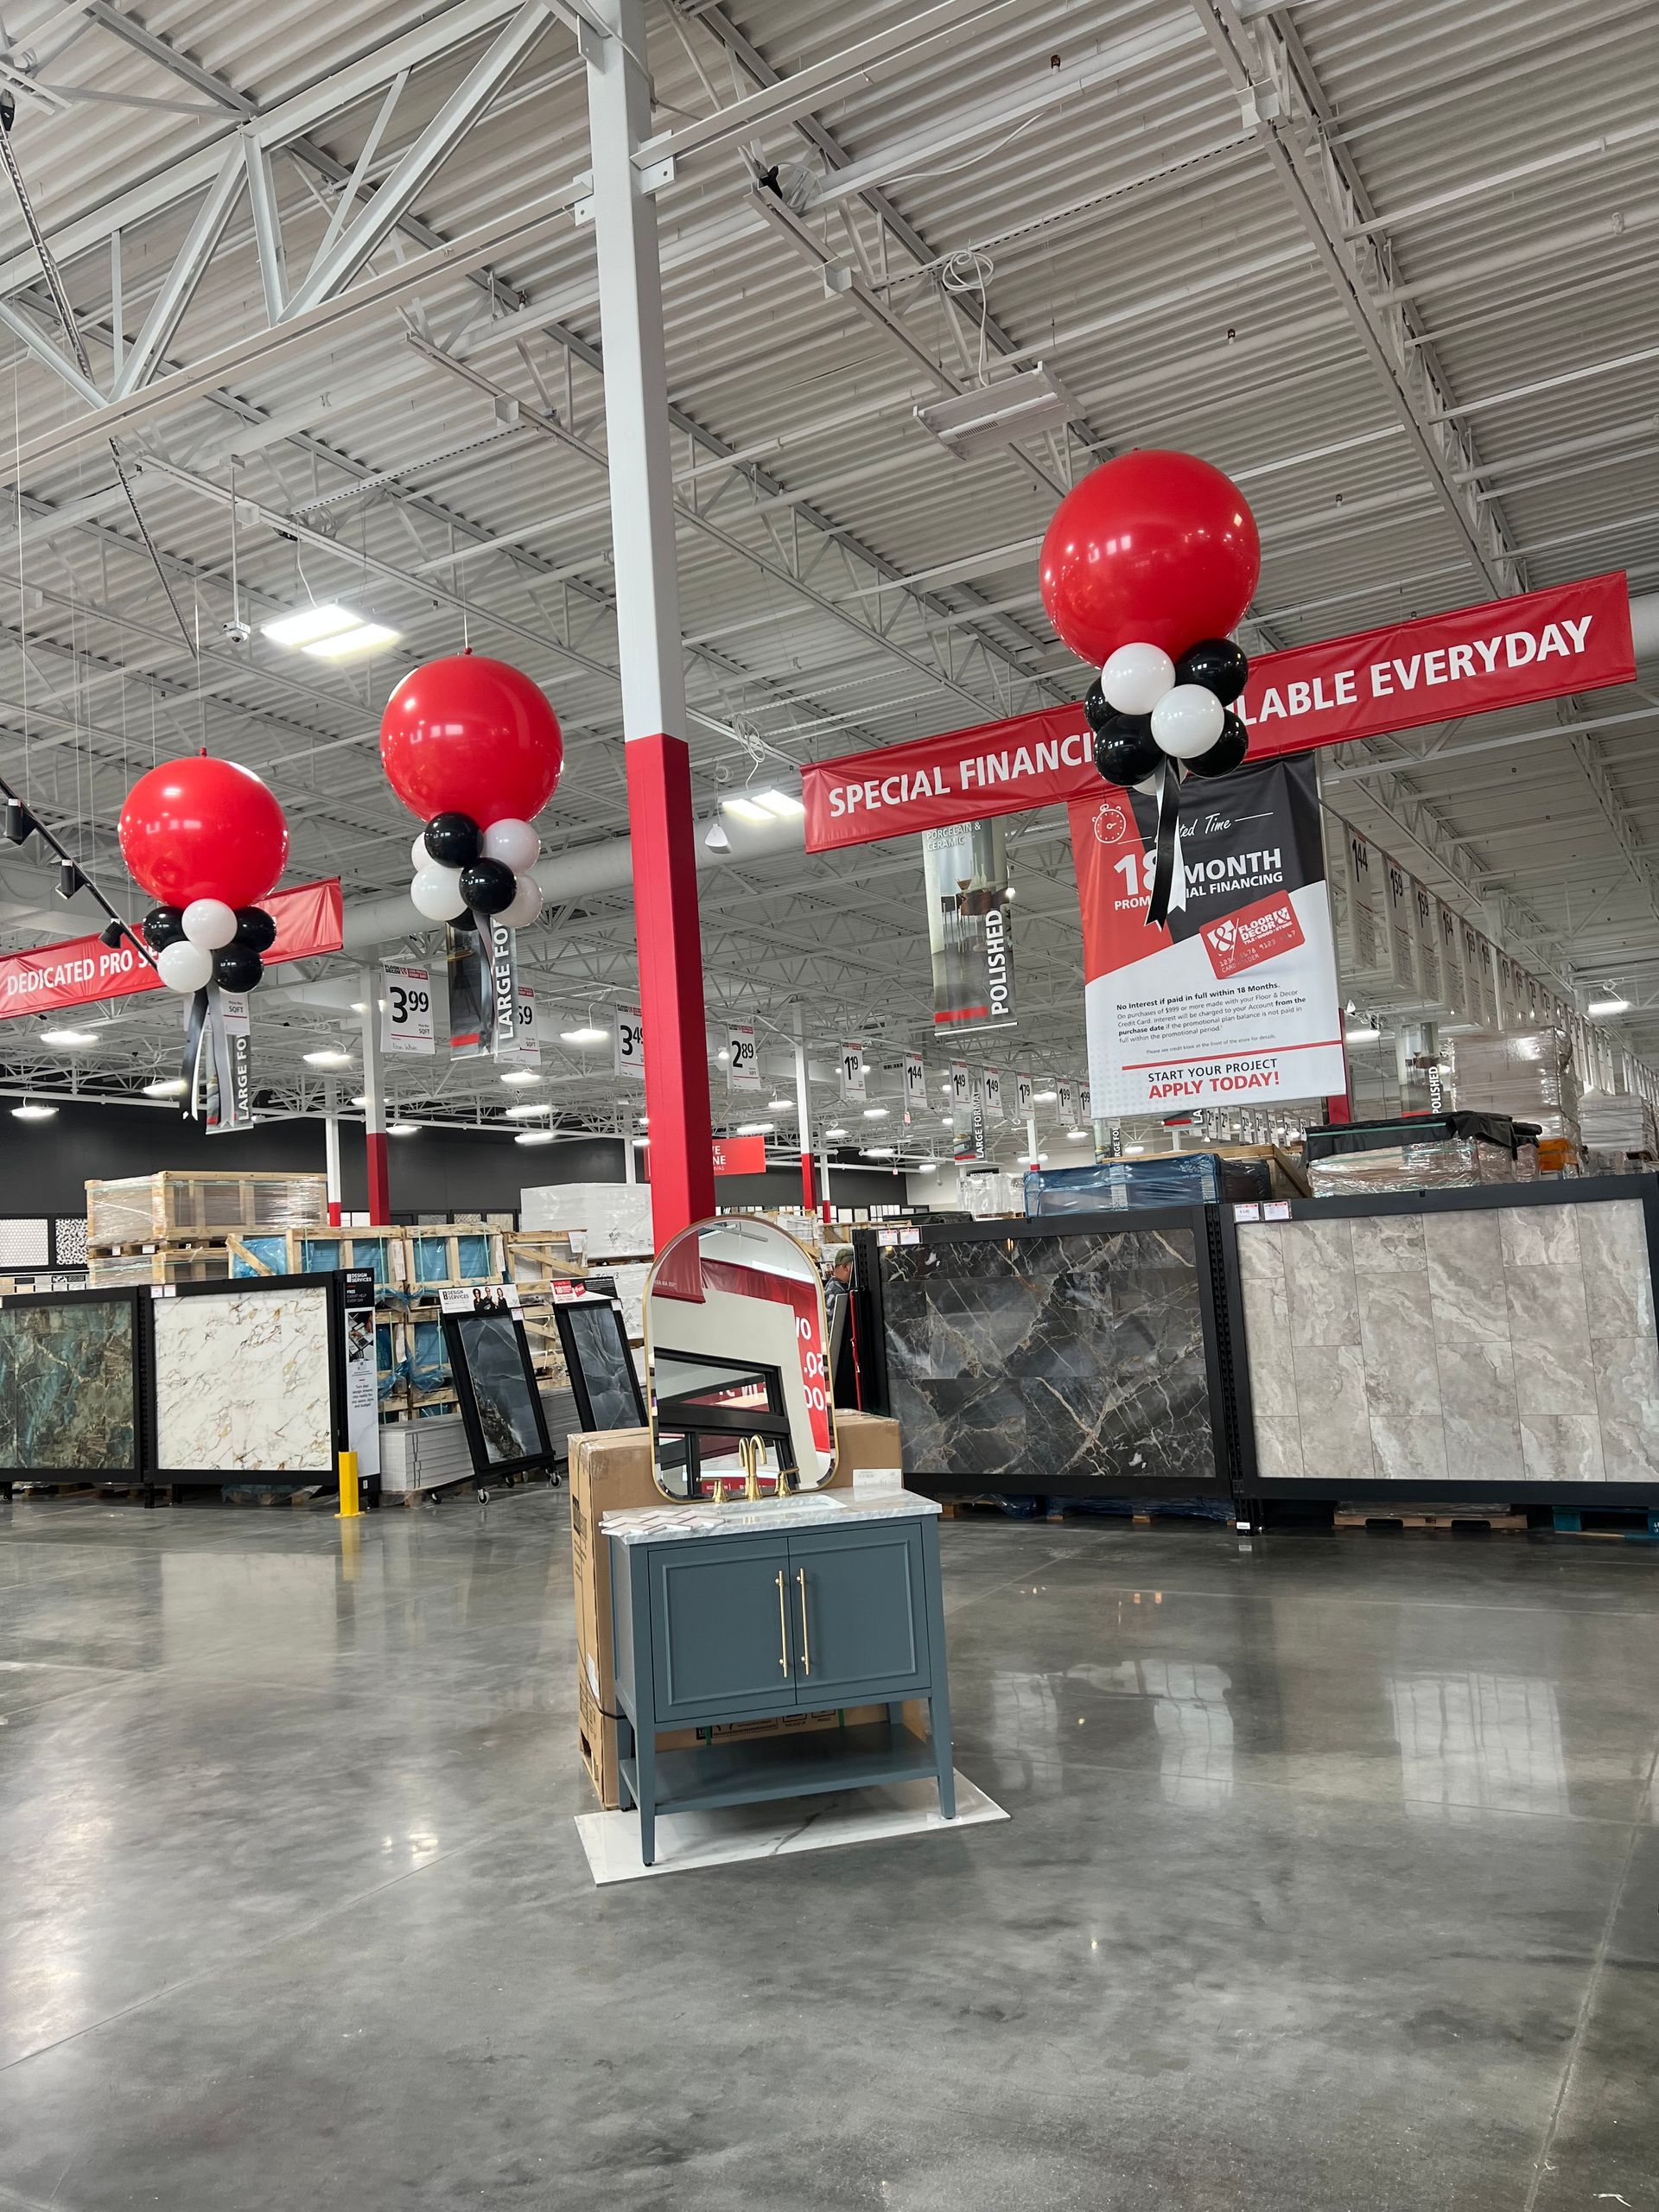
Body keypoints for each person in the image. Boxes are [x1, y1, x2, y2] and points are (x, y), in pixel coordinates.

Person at [823, 1248, 857, 1407]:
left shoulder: (841, 1288)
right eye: (853, 1267)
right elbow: (834, 1333)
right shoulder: (835, 1293)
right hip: (840, 1360)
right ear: (845, 1267)